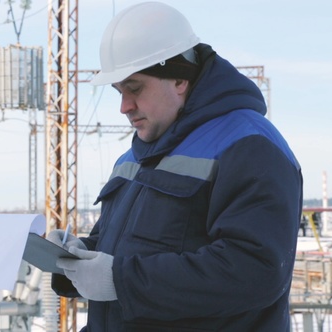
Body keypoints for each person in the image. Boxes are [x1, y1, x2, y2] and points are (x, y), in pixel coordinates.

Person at [46, 2, 303, 331]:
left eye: (135, 88)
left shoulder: (249, 146)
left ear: (180, 79)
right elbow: (125, 250)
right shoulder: (136, 155)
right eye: (119, 91)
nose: (124, 106)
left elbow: (255, 270)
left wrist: (120, 280)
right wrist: (79, 255)